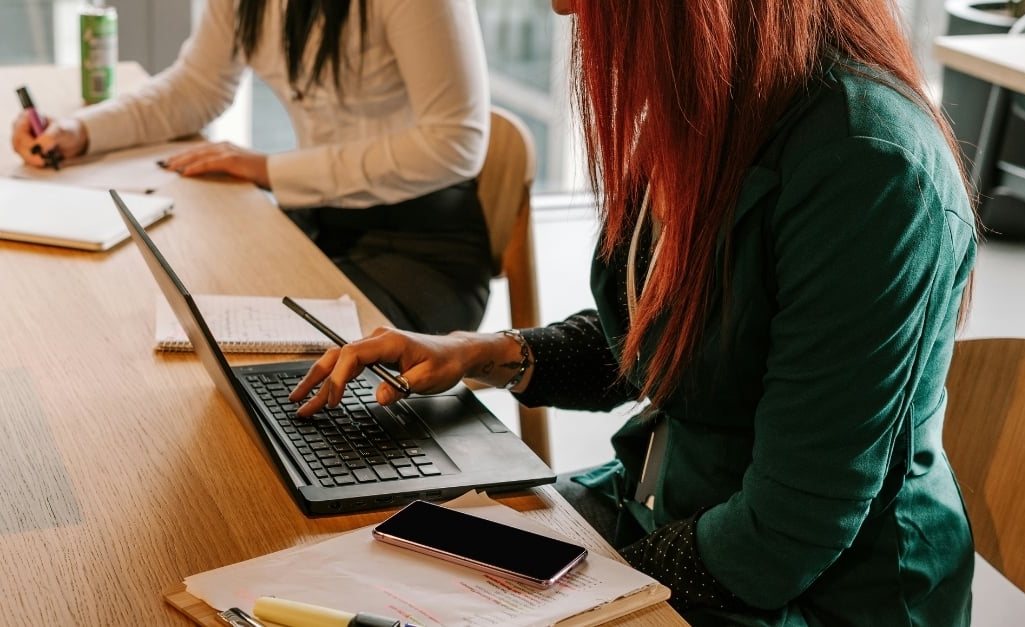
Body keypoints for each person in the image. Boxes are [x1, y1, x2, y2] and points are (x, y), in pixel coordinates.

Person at [289, 0, 978, 624]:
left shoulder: (869, 169)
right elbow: (666, 342)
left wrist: (577, 589)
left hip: (809, 594)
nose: (562, 11)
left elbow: (790, 529)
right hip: (668, 518)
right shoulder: (717, 101)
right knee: (377, 558)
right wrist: (479, 352)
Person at [11, 0, 492, 334]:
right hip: (316, 224)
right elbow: (197, 86)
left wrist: (270, 170)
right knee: (181, 320)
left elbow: (456, 142)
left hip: (422, 248)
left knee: (271, 369)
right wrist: (81, 131)